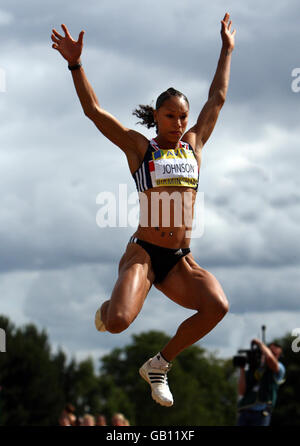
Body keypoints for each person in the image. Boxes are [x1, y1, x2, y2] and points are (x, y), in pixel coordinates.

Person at [51, 12, 236, 407]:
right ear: (156, 117)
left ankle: (159, 364)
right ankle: (108, 306)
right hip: (145, 253)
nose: (179, 121)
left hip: (180, 259)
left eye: (183, 115)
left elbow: (217, 98)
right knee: (116, 323)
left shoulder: (194, 145)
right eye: (171, 115)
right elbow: (95, 113)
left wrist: (226, 49)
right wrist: (75, 64)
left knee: (218, 305)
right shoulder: (141, 148)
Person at [236, 340, 286, 426]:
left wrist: (260, 344)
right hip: (245, 411)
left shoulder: (279, 367)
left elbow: (270, 359)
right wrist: (242, 369)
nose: (269, 354)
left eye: (274, 354)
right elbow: (241, 391)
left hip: (262, 413)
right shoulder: (253, 369)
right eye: (269, 352)